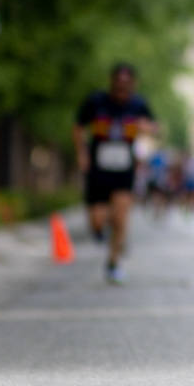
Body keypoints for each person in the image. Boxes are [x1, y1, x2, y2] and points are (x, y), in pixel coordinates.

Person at [74, 63, 155, 284]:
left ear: (133, 84)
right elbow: (78, 126)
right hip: (98, 169)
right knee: (98, 221)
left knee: (121, 217)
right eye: (118, 82)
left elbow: (153, 128)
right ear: (111, 82)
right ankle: (108, 232)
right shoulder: (96, 102)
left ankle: (113, 262)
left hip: (124, 169)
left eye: (127, 83)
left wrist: (146, 130)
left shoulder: (138, 105)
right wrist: (81, 153)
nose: (122, 87)